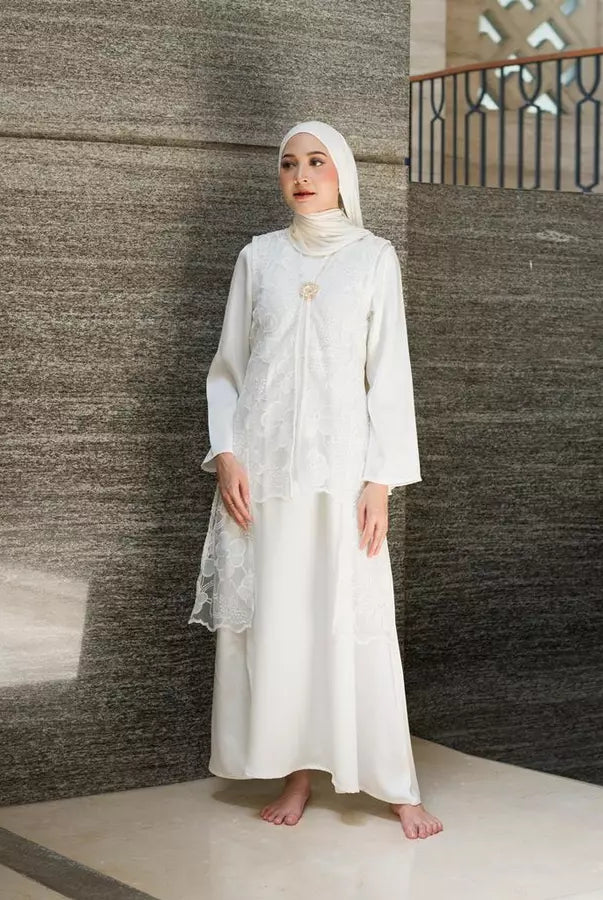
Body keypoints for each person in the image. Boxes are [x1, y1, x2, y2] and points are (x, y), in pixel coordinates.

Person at [189, 120, 443, 840]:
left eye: (317, 163)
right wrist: (226, 456)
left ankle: (394, 785)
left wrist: (379, 482)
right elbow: (227, 369)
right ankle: (295, 772)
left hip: (341, 476)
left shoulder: (372, 259)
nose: (301, 176)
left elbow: (388, 375)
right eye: (289, 164)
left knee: (350, 620)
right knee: (278, 620)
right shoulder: (257, 258)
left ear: (342, 176)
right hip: (262, 476)